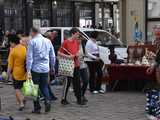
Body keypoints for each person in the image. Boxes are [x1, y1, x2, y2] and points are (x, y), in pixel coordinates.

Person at [26, 27, 56, 113]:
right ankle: (47, 100)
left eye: (30, 32)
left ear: (33, 32)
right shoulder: (48, 41)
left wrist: (28, 70)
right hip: (45, 68)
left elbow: (29, 58)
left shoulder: (32, 42)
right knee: (44, 86)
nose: (30, 34)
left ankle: (37, 107)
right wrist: (52, 66)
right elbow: (52, 56)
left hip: (35, 68)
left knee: (34, 88)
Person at [58, 28, 85, 105]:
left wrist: (78, 54)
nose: (78, 36)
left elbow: (77, 52)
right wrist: (68, 57)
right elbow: (59, 53)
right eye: (77, 34)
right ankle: (63, 99)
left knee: (77, 82)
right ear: (72, 34)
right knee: (67, 83)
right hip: (68, 65)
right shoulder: (66, 42)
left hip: (76, 65)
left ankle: (79, 99)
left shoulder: (76, 42)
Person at [7, 34, 26, 111]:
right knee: (22, 87)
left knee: (17, 88)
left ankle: (21, 103)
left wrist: (8, 74)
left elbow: (10, 65)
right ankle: (23, 98)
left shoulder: (13, 51)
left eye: (10, 43)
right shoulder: (24, 48)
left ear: (12, 42)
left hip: (16, 73)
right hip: (24, 71)